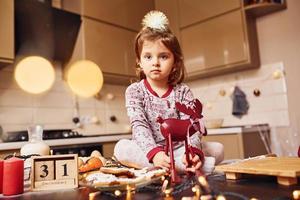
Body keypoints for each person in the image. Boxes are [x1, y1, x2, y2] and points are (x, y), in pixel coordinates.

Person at [114, 11, 224, 174]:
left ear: (175, 62)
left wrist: (191, 152)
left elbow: (192, 126)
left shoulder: (183, 91)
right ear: (139, 61)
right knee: (121, 148)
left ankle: (183, 164)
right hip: (148, 151)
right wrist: (155, 153)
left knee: (218, 149)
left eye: (163, 57)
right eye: (148, 57)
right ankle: (185, 168)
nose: (155, 63)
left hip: (180, 151)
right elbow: (139, 125)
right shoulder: (135, 91)